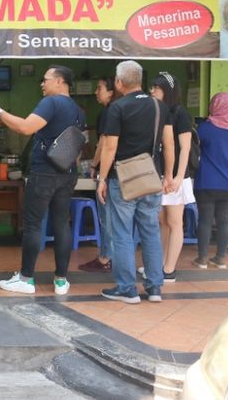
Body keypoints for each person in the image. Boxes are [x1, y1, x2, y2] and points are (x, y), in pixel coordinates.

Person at [0, 66, 84, 295]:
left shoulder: (51, 103)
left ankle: (26, 279)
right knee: (61, 224)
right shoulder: (78, 110)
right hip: (67, 174)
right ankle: (60, 281)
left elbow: (26, 127)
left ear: (59, 81)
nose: (41, 84)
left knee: (34, 224)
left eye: (44, 79)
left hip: (44, 173)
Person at [96, 60, 174, 304]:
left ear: (119, 83)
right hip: (152, 177)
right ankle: (154, 288)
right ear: (140, 80)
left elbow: (110, 147)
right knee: (150, 231)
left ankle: (127, 288)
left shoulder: (117, 108)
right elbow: (169, 143)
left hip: (124, 179)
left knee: (122, 234)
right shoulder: (159, 106)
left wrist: (102, 178)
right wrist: (168, 175)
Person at [144, 73, 194, 283]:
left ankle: (169, 269)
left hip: (176, 177)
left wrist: (178, 177)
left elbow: (185, 148)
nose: (152, 91)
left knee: (174, 222)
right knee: (162, 220)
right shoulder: (157, 112)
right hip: (162, 175)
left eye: (156, 87)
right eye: (152, 87)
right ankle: (159, 263)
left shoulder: (180, 113)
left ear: (168, 90)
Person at [193, 92, 228, 270]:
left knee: (205, 220)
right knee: (224, 220)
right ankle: (221, 258)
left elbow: (197, 146)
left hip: (207, 181)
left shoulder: (205, 128)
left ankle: (202, 259)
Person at [79, 76, 118, 273]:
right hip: (123, 173)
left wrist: (94, 165)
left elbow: (104, 142)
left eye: (100, 88)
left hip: (108, 173)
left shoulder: (108, 112)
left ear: (111, 91)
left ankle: (105, 258)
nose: (96, 92)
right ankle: (115, 258)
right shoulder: (124, 109)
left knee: (106, 218)